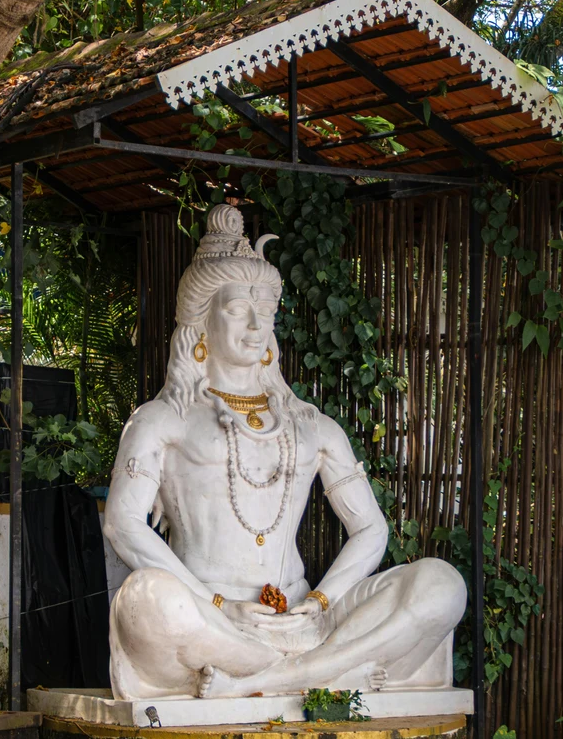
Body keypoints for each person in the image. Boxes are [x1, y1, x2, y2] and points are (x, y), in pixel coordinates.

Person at [104, 204, 466, 700]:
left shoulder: (310, 424)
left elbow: (371, 528)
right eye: (236, 310)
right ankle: (329, 675)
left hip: (306, 618)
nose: (256, 326)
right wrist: (216, 604)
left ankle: (273, 680)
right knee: (145, 601)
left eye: (266, 312)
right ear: (199, 321)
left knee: (443, 584)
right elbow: (121, 523)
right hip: (213, 621)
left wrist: (321, 601)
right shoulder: (162, 419)